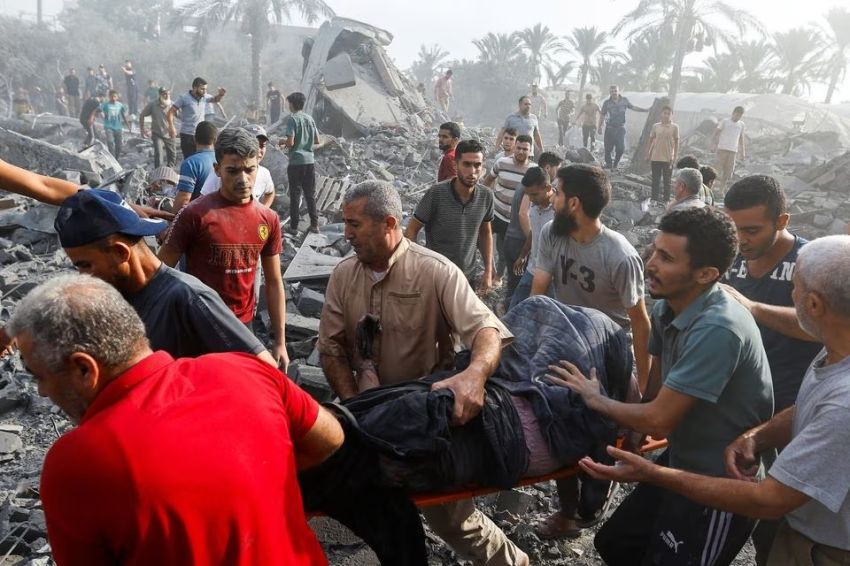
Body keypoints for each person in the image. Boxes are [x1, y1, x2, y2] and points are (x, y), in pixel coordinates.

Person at [7, 274, 342, 565]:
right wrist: (263, 490)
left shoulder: (75, 463)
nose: (41, 392)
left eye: (40, 377)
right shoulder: (245, 369)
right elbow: (331, 438)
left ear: (84, 369)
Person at [579, 235, 850, 566]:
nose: (790, 296)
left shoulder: (844, 402)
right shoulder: (836, 349)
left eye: (795, 288)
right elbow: (811, 406)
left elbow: (769, 500)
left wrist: (651, 473)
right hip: (788, 517)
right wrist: (758, 436)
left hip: (825, 548)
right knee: (618, 544)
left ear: (814, 305)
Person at [318, 180, 528, 566]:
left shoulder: (435, 271)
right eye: (345, 224)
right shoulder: (344, 275)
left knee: (456, 522)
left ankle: (514, 563)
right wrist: (356, 406)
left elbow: (488, 330)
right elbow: (331, 347)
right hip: (361, 417)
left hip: (423, 427)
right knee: (359, 508)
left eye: (354, 224)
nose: (346, 234)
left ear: (389, 223)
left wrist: (475, 376)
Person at [549, 206, 773, 565]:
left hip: (720, 482)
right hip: (681, 459)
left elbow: (659, 420)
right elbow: (654, 389)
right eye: (654, 250)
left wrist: (595, 398)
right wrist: (633, 435)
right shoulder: (668, 306)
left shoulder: (718, 328)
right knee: (617, 544)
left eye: (666, 258)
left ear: (706, 274)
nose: (650, 263)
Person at [530, 164, 652, 539]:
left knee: (604, 438)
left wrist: (643, 393)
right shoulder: (553, 234)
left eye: (557, 192)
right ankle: (568, 511)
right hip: (566, 342)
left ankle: (590, 509)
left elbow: (641, 324)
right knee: (558, 427)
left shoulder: (619, 255)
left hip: (608, 354)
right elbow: (539, 293)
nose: (551, 197)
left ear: (575, 203)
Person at [721, 175, 823, 564]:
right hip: (739, 400)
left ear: (782, 221)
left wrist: (753, 308)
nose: (740, 239)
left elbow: (823, 325)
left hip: (794, 406)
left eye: (751, 230)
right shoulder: (731, 255)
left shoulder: (811, 262)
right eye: (734, 228)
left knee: (785, 512)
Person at [159, 128, 289, 369]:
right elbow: (159, 272)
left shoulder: (268, 219)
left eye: (249, 170)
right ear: (217, 170)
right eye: (233, 170)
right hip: (198, 326)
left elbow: (273, 282)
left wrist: (280, 341)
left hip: (242, 327)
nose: (243, 179)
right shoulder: (195, 215)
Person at [405, 139, 494, 292]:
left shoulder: (486, 196)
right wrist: (413, 265)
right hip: (436, 275)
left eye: (477, 165)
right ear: (455, 164)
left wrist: (488, 270)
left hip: (467, 276)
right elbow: (412, 229)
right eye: (466, 164)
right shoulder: (437, 193)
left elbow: (485, 233)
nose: (472, 171)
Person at [508, 152, 562, 309]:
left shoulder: (559, 211)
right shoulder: (535, 204)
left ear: (548, 188)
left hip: (552, 277)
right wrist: (523, 255)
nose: (530, 199)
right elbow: (535, 231)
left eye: (534, 194)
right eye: (528, 194)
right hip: (532, 269)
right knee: (515, 309)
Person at [483, 134, 534, 290]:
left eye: (525, 149)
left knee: (504, 249)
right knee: (480, 239)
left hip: (514, 220)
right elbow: (488, 181)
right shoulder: (502, 163)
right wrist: (483, 201)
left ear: (530, 150)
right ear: (514, 147)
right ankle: (489, 269)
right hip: (495, 213)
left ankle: (499, 276)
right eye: (518, 148)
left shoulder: (533, 171)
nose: (521, 151)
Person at [200, 124, 275, 207]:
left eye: (262, 146)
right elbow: (203, 200)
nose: (259, 150)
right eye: (254, 145)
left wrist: (263, 210)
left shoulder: (264, 173)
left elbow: (270, 192)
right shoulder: (222, 173)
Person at [281, 92, 320, 235]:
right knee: (310, 194)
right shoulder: (310, 119)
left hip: (296, 162)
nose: (288, 106)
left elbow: (290, 142)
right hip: (309, 161)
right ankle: (314, 225)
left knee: (295, 195)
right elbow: (317, 140)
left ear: (292, 104)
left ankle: (293, 227)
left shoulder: (292, 119)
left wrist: (282, 141)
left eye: (288, 103)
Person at [168, 77, 227, 158]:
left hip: (200, 134)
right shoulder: (184, 98)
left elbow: (215, 100)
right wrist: (171, 127)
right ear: (195, 88)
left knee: (201, 157)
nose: (204, 91)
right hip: (187, 134)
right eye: (202, 89)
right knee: (189, 158)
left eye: (205, 89)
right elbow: (170, 112)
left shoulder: (204, 97)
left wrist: (220, 95)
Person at [598, 85, 649, 171]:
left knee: (621, 148)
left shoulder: (624, 100)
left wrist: (645, 110)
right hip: (610, 128)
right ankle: (609, 164)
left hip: (620, 128)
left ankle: (616, 163)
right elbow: (602, 115)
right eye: (612, 91)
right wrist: (599, 126)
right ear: (610, 93)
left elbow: (633, 107)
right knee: (608, 148)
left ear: (618, 91)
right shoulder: (607, 103)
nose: (614, 93)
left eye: (615, 91)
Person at [172, 121, 218, 211]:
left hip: (198, 215)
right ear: (215, 140)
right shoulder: (222, 160)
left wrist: (171, 217)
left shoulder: (190, 163)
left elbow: (184, 199)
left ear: (194, 139)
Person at [646, 105, 679, 202]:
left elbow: (677, 142)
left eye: (669, 114)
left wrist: (675, 157)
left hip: (668, 158)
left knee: (667, 181)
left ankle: (666, 201)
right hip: (655, 157)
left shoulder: (675, 127)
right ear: (661, 114)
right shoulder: (656, 126)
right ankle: (654, 200)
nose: (666, 115)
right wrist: (648, 154)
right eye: (665, 113)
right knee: (655, 180)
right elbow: (651, 140)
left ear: (672, 115)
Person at [140, 86, 178, 168]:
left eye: (168, 94)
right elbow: (142, 115)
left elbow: (181, 116)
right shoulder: (153, 104)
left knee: (173, 155)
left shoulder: (172, 105)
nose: (167, 96)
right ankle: (158, 172)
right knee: (159, 155)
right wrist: (142, 130)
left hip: (169, 133)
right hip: (157, 133)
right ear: (160, 95)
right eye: (164, 94)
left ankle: (170, 171)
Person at [713, 106, 746, 196]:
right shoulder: (725, 121)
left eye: (740, 115)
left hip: (733, 151)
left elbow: (741, 138)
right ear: (733, 113)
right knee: (716, 170)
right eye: (736, 114)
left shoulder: (741, 125)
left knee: (728, 172)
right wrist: (713, 144)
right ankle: (711, 188)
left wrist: (742, 152)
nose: (737, 117)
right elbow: (716, 133)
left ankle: (721, 191)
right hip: (722, 149)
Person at [99, 89, 129, 159]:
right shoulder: (105, 105)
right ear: (109, 97)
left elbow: (123, 115)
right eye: (112, 96)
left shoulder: (120, 105)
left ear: (117, 97)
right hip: (108, 126)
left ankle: (116, 158)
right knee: (110, 142)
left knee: (119, 144)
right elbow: (98, 110)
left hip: (118, 127)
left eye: (115, 96)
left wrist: (128, 125)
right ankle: (112, 158)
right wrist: (101, 115)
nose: (113, 98)